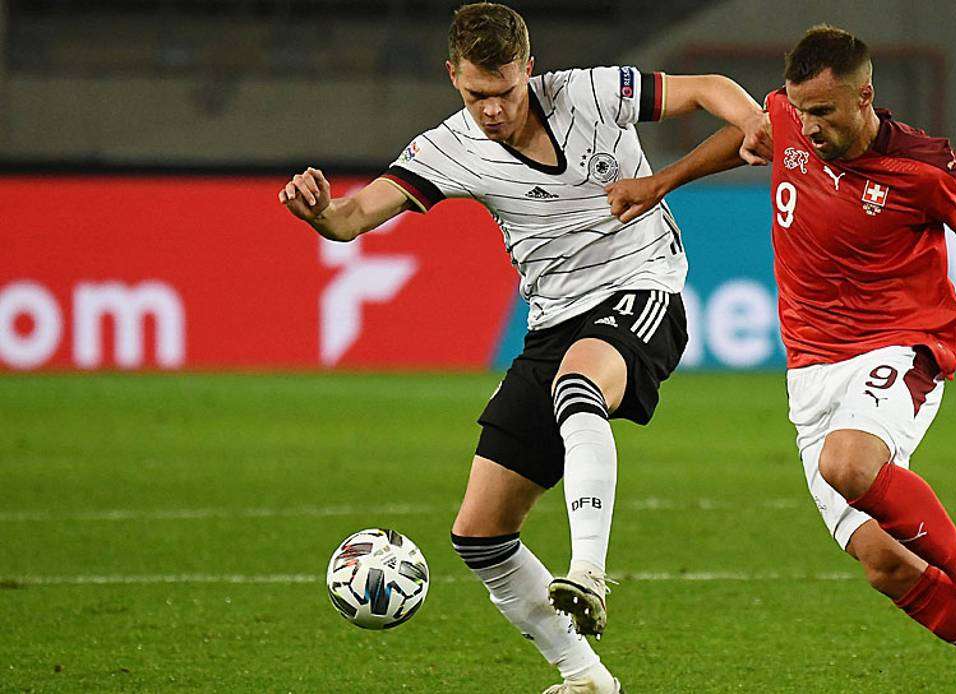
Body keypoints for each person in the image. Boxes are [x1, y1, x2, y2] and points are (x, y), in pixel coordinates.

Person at [278, 3, 766, 692]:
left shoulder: (591, 93)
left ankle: (589, 569)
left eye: (506, 91)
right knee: (480, 535)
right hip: (554, 323)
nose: (494, 109)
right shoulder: (449, 147)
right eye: (478, 94)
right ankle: (587, 678)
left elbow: (705, 86)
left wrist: (749, 120)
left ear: (528, 70)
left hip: (643, 290)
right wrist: (321, 214)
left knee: (578, 387)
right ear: (454, 77)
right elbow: (356, 216)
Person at [605, 24, 956, 694]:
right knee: (887, 566)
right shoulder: (790, 116)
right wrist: (663, 181)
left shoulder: (925, 165)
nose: (806, 126)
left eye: (825, 112)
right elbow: (756, 134)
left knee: (849, 463)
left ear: (865, 97)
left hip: (901, 344)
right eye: (800, 109)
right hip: (810, 371)